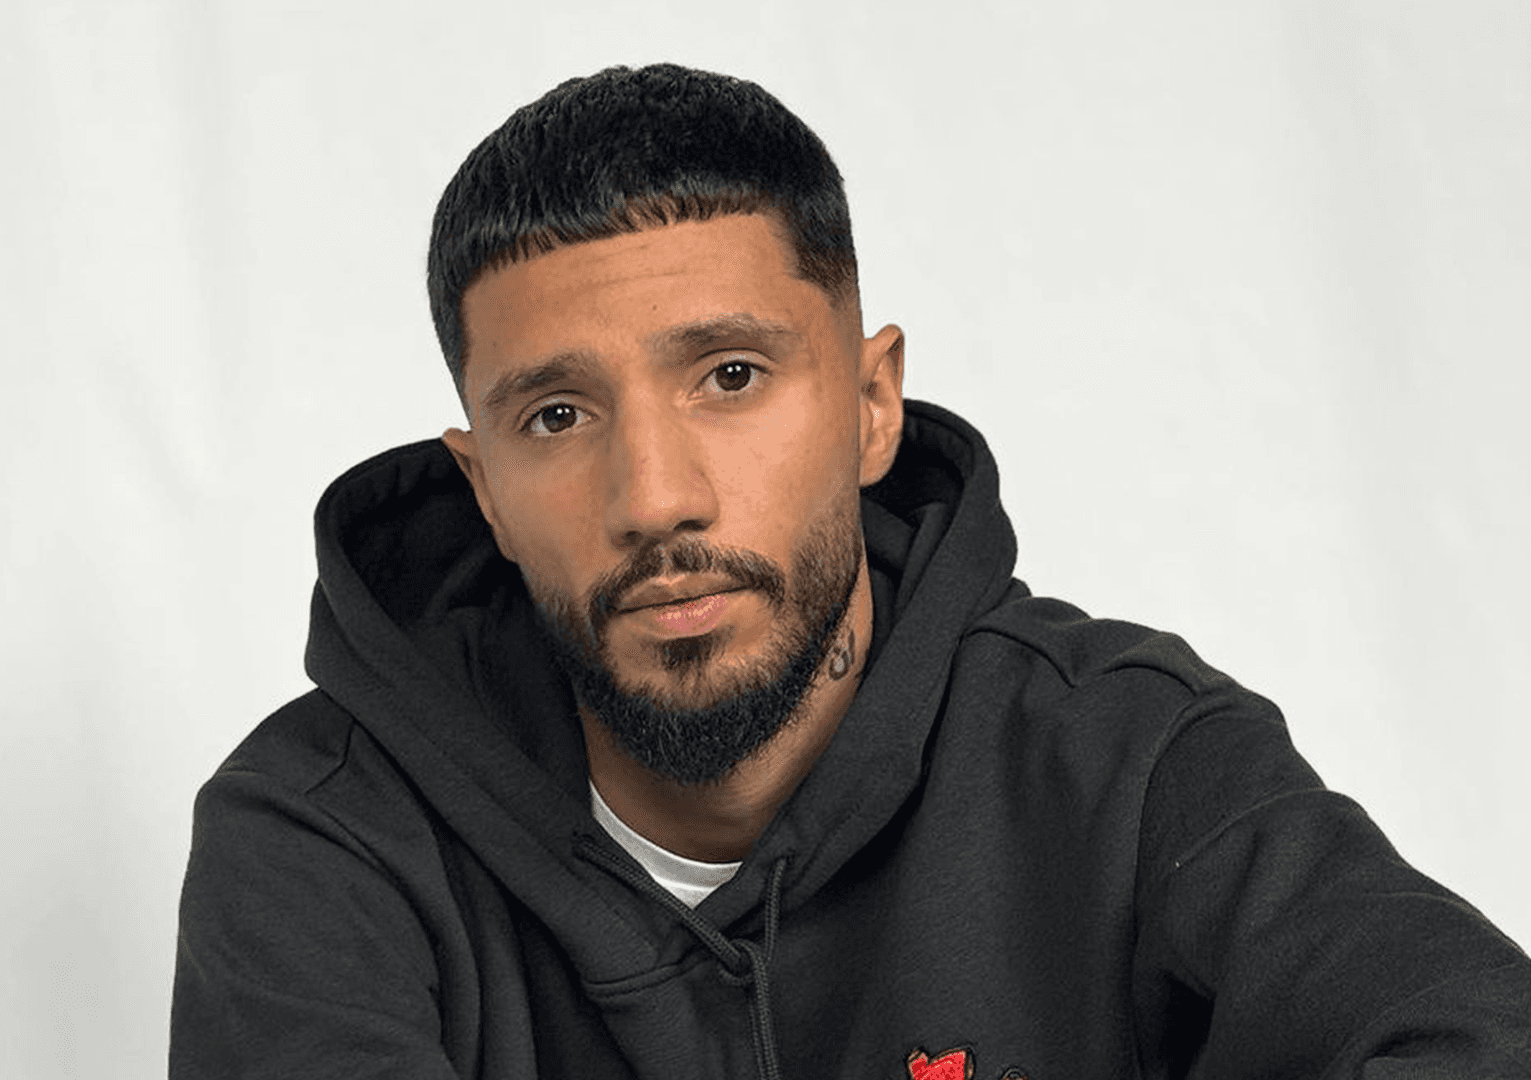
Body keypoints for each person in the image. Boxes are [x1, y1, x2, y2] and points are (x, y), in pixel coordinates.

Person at [170, 64, 1531, 1080]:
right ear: (485, 492)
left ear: (872, 406)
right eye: (558, 416)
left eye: (730, 376)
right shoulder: (325, 831)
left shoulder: (1127, 761)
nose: (655, 497)